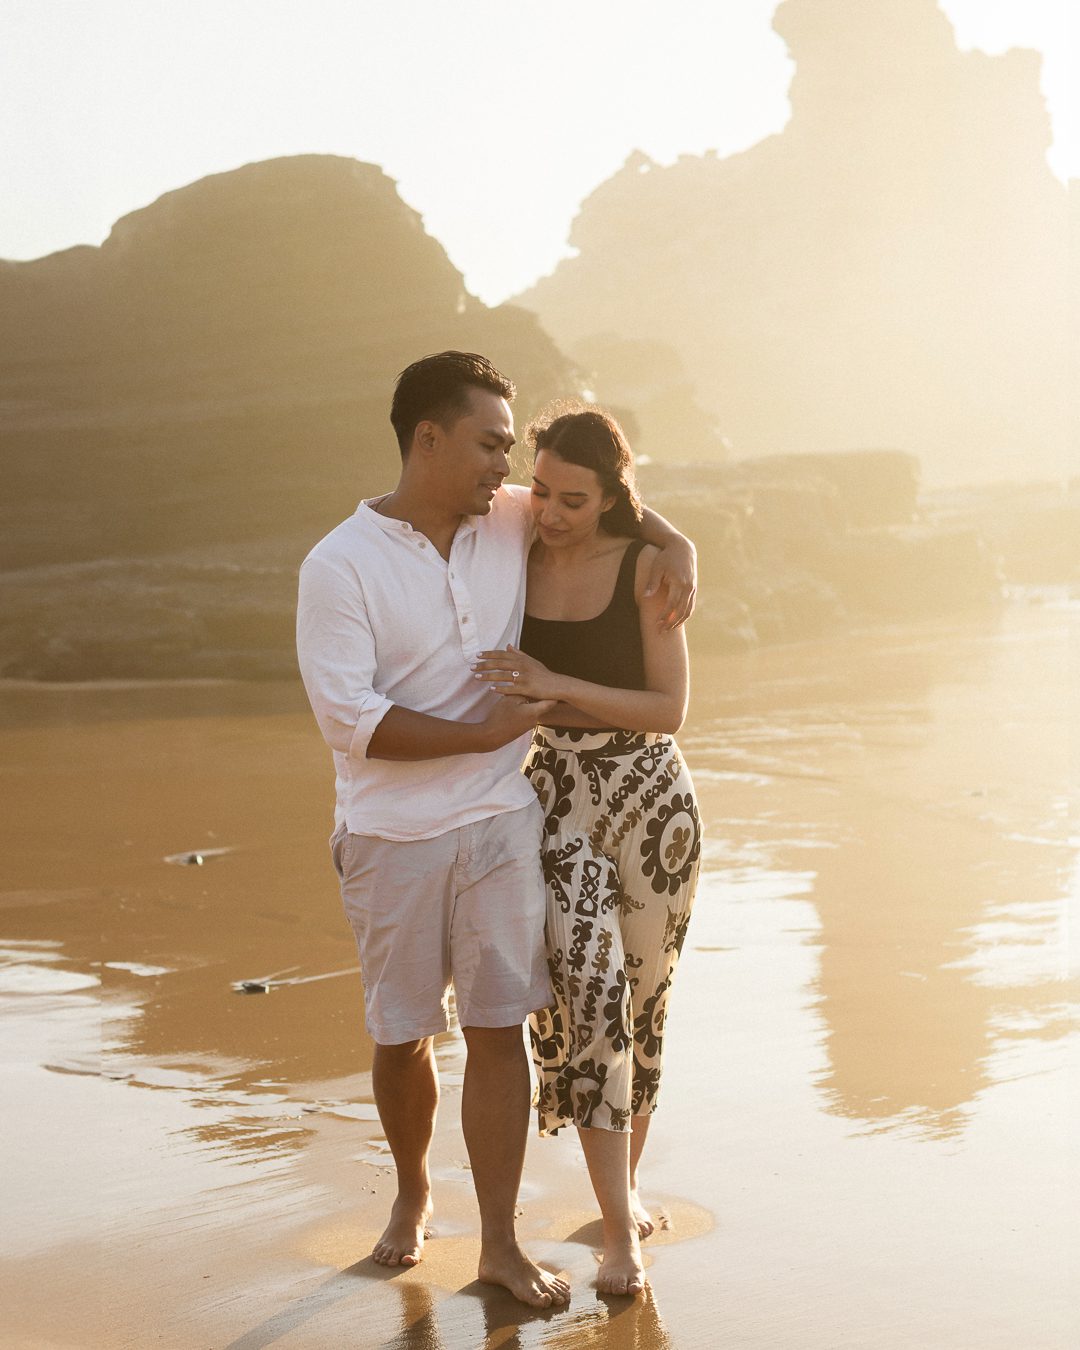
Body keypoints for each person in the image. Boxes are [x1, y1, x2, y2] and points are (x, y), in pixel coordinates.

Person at [295, 354, 696, 1308]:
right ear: (427, 438)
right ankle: (412, 1191)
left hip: (504, 820)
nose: (504, 467)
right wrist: (479, 734)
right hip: (391, 832)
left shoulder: (508, 515)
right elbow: (349, 719)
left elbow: (608, 499)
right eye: (489, 445)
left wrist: (680, 543)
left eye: (508, 449)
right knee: (403, 1033)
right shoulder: (338, 564)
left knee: (497, 1029)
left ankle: (501, 1245)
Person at [472, 406, 701, 1298]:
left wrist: (555, 685)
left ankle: (623, 1196)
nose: (553, 512)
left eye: (575, 499)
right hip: (555, 801)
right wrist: (552, 705)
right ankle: (618, 1236)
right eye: (543, 491)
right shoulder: (512, 545)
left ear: (611, 497)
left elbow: (667, 710)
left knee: (643, 1005)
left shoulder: (647, 567)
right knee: (592, 997)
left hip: (653, 804)